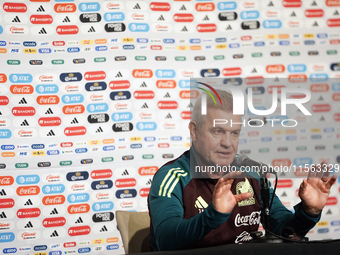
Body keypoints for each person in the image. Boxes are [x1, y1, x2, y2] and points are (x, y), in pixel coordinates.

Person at [148, 89, 337, 251]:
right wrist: (213, 215)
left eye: (234, 133)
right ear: (194, 131)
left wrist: (308, 212)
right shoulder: (172, 177)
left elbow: (280, 228)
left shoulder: (251, 174)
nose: (227, 144)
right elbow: (165, 240)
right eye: (217, 131)